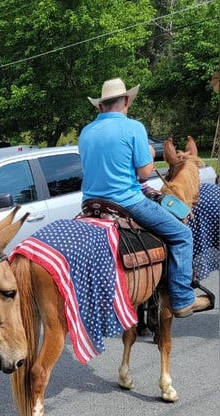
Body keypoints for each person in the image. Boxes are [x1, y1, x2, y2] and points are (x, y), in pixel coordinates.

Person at [78, 78, 210, 318]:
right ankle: (181, 299)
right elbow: (144, 173)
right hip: (126, 201)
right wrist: (149, 153)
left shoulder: (86, 132)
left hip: (89, 204)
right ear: (126, 100)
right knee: (183, 235)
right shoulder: (133, 128)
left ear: (100, 106)